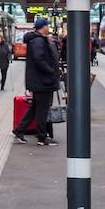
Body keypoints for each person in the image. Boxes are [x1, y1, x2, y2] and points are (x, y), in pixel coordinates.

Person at [13, 18, 62, 146]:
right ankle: (42, 137)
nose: (48, 28)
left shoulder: (38, 40)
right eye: (47, 26)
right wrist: (52, 71)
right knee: (42, 110)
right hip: (42, 81)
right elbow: (39, 60)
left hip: (40, 81)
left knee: (35, 108)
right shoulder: (38, 41)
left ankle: (19, 130)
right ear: (43, 27)